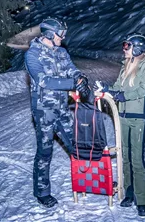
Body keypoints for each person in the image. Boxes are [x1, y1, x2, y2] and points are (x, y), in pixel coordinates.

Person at [25, 17, 90, 208]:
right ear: (49, 34)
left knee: (77, 145)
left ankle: (89, 180)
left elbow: (71, 69)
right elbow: (43, 81)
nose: (63, 37)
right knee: (45, 152)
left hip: (62, 108)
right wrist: (72, 85)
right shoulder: (33, 54)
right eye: (60, 34)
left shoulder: (61, 52)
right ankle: (42, 192)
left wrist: (80, 79)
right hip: (44, 111)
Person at [94, 33, 145, 217]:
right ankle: (129, 192)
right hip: (122, 116)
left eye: (127, 46)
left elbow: (143, 90)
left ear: (137, 48)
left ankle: (142, 200)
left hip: (139, 117)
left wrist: (123, 96)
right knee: (125, 157)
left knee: (137, 159)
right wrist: (108, 90)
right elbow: (117, 87)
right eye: (124, 45)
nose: (124, 49)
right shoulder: (126, 66)